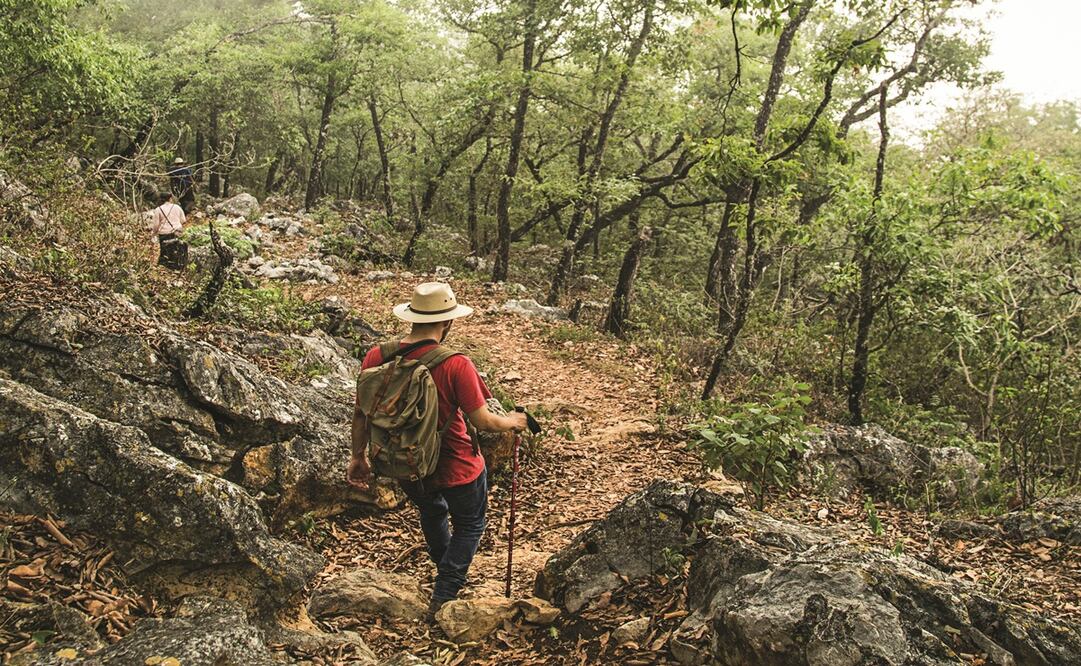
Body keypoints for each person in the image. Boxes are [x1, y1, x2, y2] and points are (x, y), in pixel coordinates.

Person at [347, 282, 527, 619]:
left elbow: (361, 413)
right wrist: (513, 423)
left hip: (407, 463)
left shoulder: (377, 356)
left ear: (413, 317)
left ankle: (445, 570)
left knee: (431, 511)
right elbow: (484, 421)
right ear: (448, 323)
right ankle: (445, 590)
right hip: (457, 464)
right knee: (471, 524)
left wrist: (358, 457)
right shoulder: (457, 364)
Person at [147, 191, 188, 270]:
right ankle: (179, 266)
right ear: (170, 198)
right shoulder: (177, 207)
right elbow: (183, 220)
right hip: (177, 231)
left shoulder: (158, 210)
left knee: (165, 251)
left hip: (164, 233)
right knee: (177, 249)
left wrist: (154, 234)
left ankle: (166, 267)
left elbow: (156, 225)